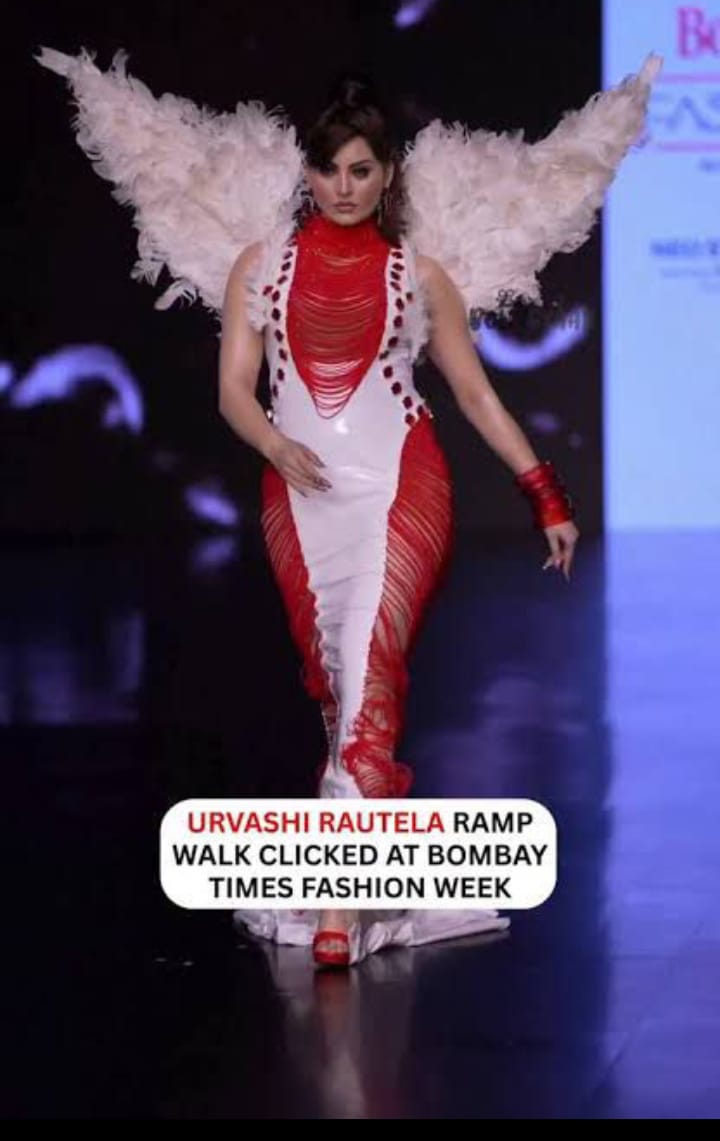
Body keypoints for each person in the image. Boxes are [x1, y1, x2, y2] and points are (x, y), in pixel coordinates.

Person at [218, 77, 578, 968]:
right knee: (339, 685)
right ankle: (358, 877)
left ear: (387, 176)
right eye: (327, 169)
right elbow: (232, 391)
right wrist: (276, 445)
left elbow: (474, 393)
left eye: (360, 170)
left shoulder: (420, 276)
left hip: (400, 486)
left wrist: (544, 493)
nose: (342, 187)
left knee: (369, 674)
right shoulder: (260, 265)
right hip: (299, 495)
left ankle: (337, 911)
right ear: (306, 173)